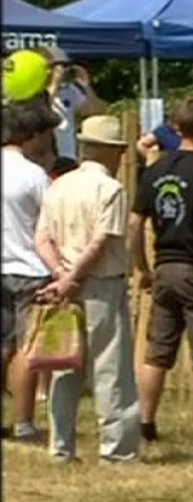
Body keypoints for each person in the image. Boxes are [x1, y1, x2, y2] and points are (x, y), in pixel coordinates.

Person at [33, 115, 140, 464]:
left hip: (64, 281)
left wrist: (60, 273)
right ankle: (117, 448)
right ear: (112, 152)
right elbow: (100, 241)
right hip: (100, 283)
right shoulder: (110, 189)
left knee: (65, 365)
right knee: (111, 367)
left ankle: (61, 445)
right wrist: (74, 276)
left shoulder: (59, 185)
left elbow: (42, 238)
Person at [128, 96, 193, 448]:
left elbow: (134, 221)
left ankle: (145, 422)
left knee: (158, 351)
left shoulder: (155, 169)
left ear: (174, 127)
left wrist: (141, 266)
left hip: (165, 266)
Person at [1, 96, 60, 442]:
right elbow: (52, 221)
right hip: (28, 267)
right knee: (26, 348)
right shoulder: (34, 175)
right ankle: (23, 422)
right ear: (32, 135)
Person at [42, 47, 106, 162]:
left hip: (68, 155)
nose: (64, 71)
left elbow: (96, 111)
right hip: (46, 155)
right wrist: (55, 84)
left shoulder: (70, 90)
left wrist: (87, 86)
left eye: (67, 66)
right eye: (61, 67)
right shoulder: (38, 90)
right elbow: (42, 108)